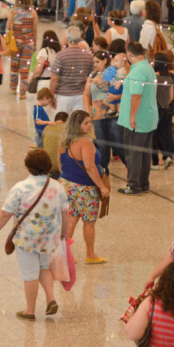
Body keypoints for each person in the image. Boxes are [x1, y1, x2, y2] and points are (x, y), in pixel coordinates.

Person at [0, 149, 69, 320]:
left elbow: (6, 213)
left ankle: (30, 310)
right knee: (44, 267)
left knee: (29, 274)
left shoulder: (20, 188)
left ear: (28, 166)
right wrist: (65, 233)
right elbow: (65, 212)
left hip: (27, 238)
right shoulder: (57, 186)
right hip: (50, 237)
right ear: (48, 166)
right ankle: (51, 299)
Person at [58, 110, 109, 264]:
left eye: (89, 122)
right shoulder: (85, 142)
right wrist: (102, 187)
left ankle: (64, 254)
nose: (89, 125)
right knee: (89, 222)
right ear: (77, 125)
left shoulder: (63, 141)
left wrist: (70, 178)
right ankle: (91, 255)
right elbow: (90, 167)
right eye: (86, 123)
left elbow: (60, 164)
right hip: (84, 188)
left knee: (71, 220)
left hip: (66, 184)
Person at [118, 42, 158, 195]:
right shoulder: (147, 67)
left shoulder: (137, 71)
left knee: (133, 153)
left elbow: (136, 95)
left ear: (129, 54)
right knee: (144, 152)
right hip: (148, 117)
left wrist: (132, 116)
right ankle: (143, 183)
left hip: (137, 119)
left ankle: (133, 186)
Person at [84, 50, 117, 169]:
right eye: (94, 62)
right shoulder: (92, 75)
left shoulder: (113, 73)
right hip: (97, 115)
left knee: (117, 145)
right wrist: (87, 110)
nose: (95, 64)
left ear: (105, 60)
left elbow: (120, 92)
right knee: (102, 145)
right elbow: (86, 94)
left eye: (98, 62)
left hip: (112, 114)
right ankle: (103, 171)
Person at [48, 25, 94, 113]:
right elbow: (91, 78)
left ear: (67, 38)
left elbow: (54, 78)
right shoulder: (88, 56)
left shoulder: (61, 55)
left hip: (63, 96)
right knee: (78, 124)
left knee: (62, 123)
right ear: (80, 37)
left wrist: (51, 95)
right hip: (81, 95)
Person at [8, 0, 39, 99]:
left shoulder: (13, 11)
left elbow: (8, 26)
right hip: (28, 42)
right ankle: (22, 92)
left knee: (14, 65)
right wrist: (35, 45)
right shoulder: (33, 12)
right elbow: (34, 30)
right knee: (25, 68)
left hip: (15, 43)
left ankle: (12, 88)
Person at [152, 52, 174, 169]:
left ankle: (155, 162)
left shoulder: (153, 77)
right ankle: (166, 156)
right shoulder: (169, 78)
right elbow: (172, 97)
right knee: (159, 134)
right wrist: (164, 104)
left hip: (154, 110)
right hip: (165, 110)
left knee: (154, 136)